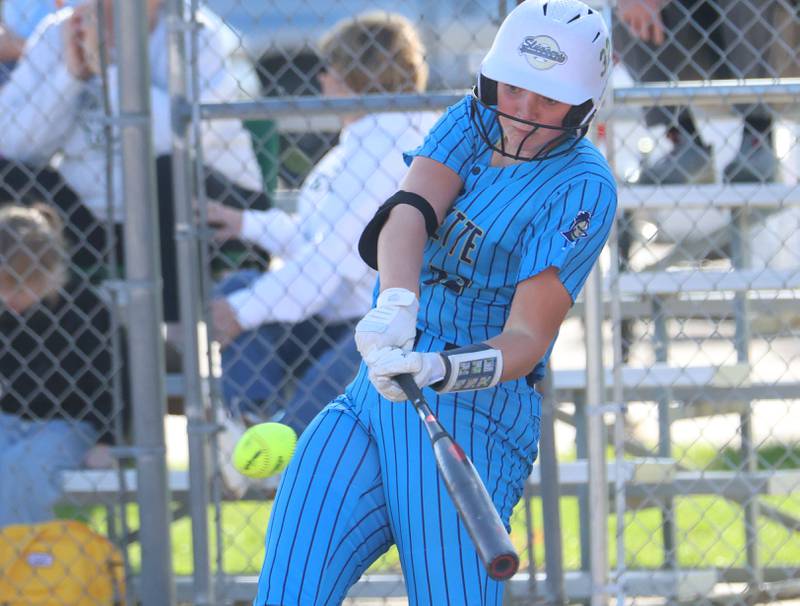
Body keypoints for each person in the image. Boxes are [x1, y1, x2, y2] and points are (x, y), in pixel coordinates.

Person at [252, 1, 617, 603]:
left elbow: (527, 340)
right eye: (513, 88)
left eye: (546, 101)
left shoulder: (582, 186)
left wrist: (442, 370)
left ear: (582, 104)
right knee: (289, 587)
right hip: (374, 393)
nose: (521, 113)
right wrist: (396, 303)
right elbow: (411, 211)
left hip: (472, 416)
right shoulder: (473, 119)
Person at [207, 11, 437, 437]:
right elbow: (318, 237)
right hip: (342, 313)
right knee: (240, 285)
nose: (321, 80)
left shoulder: (386, 144)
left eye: (328, 69)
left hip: (392, 323)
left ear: (351, 78)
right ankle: (249, 424)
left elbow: (330, 264)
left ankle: (277, 443)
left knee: (247, 303)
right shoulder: (365, 138)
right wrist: (246, 224)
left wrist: (241, 312)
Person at [0, 0, 263, 321]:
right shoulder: (60, 31)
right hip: (94, 221)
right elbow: (10, 145)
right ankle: (25, 325)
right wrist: (70, 77)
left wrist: (111, 69)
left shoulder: (193, 32)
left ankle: (174, 337)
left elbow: (176, 139)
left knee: (166, 172)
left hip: (201, 211)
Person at [0, 204, 123, 526]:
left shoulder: (86, 311)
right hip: (9, 419)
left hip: (69, 424)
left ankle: (16, 564)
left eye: (17, 286)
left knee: (18, 470)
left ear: (49, 274)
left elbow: (113, 382)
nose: (7, 296)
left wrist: (108, 442)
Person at [615, 0, 798, 185]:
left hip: (782, 39)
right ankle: (685, 140)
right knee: (630, 4)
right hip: (707, 40)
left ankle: (758, 139)